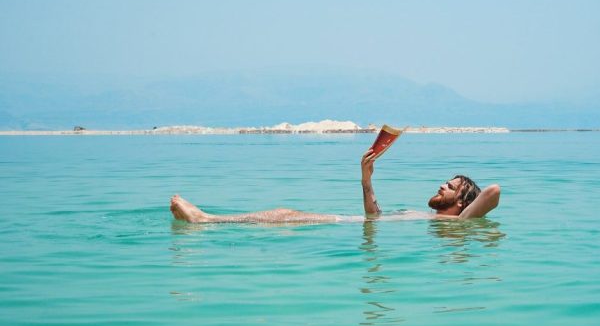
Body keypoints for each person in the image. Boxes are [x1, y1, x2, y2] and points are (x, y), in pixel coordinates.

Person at [170, 149, 501, 224]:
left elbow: (493, 191)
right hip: (358, 223)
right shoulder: (439, 221)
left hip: (345, 226)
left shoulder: (459, 223)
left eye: (450, 186)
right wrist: (366, 178)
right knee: (285, 215)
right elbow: (375, 216)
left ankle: (206, 220)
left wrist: (466, 213)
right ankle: (208, 220)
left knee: (285, 216)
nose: (441, 185)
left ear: (462, 201)